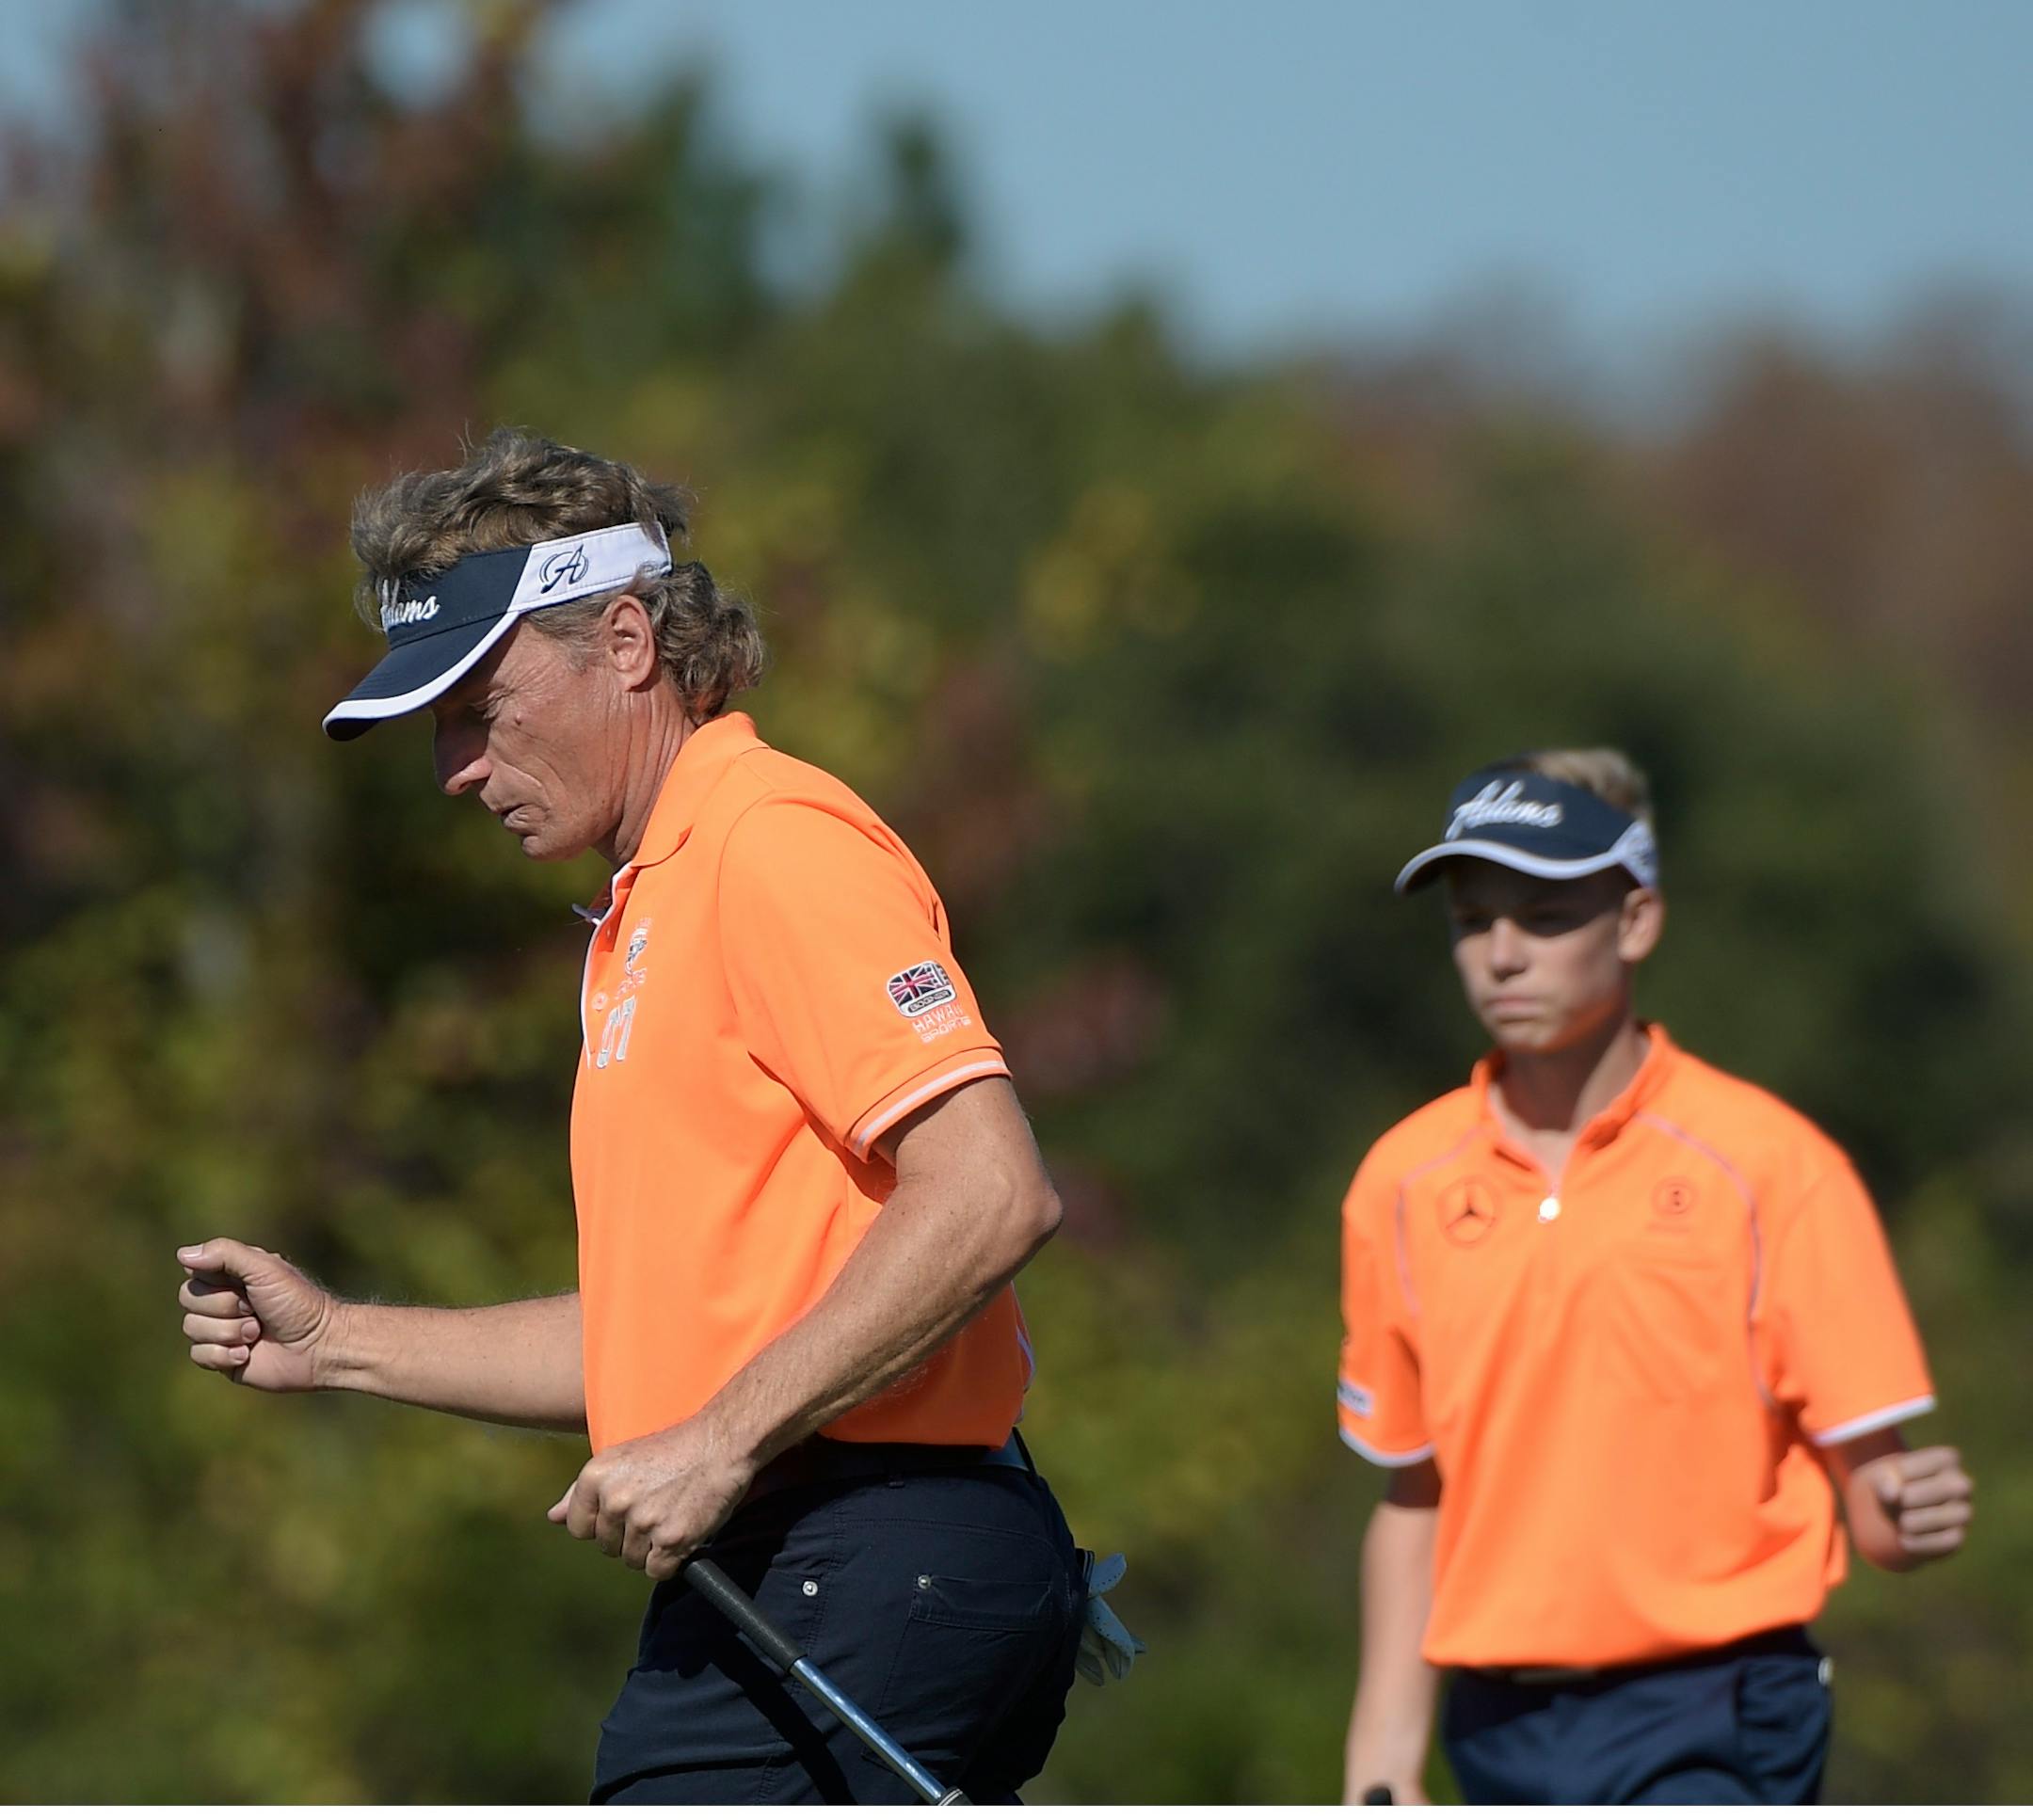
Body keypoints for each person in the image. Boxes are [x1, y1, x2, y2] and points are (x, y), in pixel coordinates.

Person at [175, 428, 1091, 1803]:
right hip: (810, 1566)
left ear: (624, 641)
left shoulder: (768, 842)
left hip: (865, 1549)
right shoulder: (650, 903)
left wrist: (720, 1437)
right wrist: (337, 1344)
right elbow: (658, 1349)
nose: (455, 768)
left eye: (481, 705)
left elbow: (991, 1189)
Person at [1337, 749, 1973, 1806]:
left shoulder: (1773, 1163)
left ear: (1635, 922)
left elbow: (1877, 1499)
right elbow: (1416, 1492)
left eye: (1543, 916)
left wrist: (1910, 1512)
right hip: (1497, 1727)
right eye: (1471, 919)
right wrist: (1381, 1758)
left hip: (1717, 1707)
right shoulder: (1401, 1180)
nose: (1501, 954)